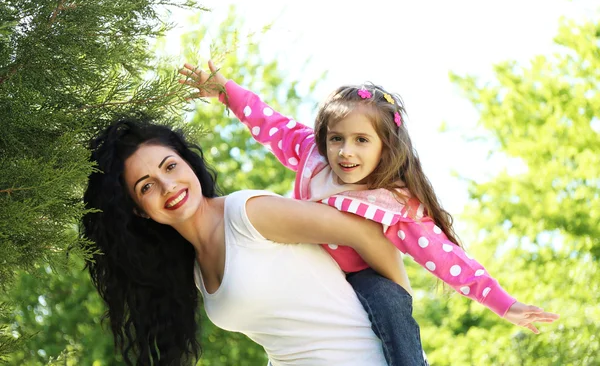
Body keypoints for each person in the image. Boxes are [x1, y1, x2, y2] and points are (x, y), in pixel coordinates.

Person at [179, 60, 561, 366]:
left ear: (384, 147)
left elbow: (446, 259)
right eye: (337, 139)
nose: (346, 152)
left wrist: (503, 303)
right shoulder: (313, 159)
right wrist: (226, 91)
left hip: (362, 276)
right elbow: (268, 122)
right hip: (308, 265)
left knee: (392, 303)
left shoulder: (390, 203)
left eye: (362, 140)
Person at [81, 118, 418, 366]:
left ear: (189, 165)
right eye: (146, 186)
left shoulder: (247, 214)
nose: (167, 185)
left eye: (170, 166)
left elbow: (366, 233)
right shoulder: (193, 266)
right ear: (139, 212)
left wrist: (402, 321)